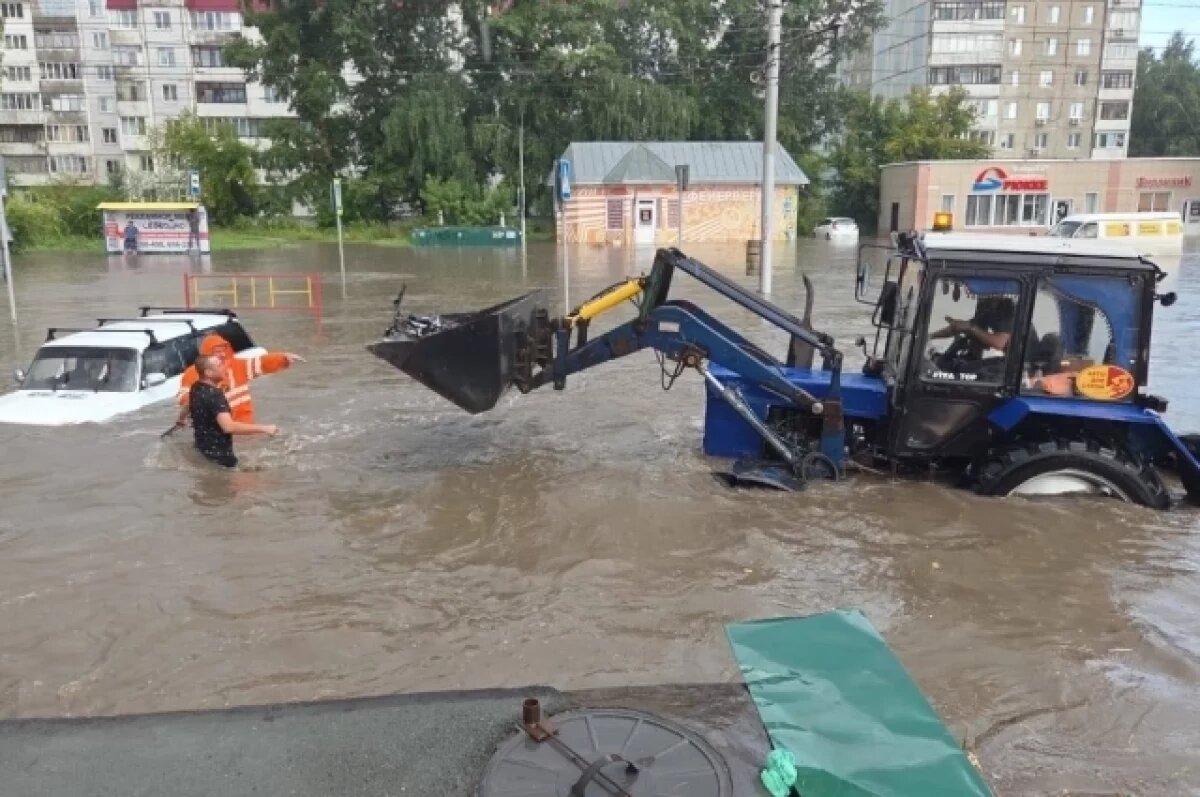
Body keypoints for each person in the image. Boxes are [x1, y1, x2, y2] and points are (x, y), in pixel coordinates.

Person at [171, 332, 305, 430]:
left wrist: (283, 358)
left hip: (245, 424)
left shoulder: (237, 365)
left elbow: (261, 363)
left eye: (224, 350)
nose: (222, 354)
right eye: (217, 351)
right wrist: (193, 402)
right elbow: (183, 395)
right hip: (219, 427)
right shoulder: (193, 373)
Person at [189, 354, 278, 468]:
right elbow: (228, 427)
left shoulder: (196, 387)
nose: (225, 367)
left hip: (202, 450)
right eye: (219, 365)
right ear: (208, 373)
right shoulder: (215, 395)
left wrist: (180, 419)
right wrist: (264, 428)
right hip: (221, 458)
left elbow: (187, 406)